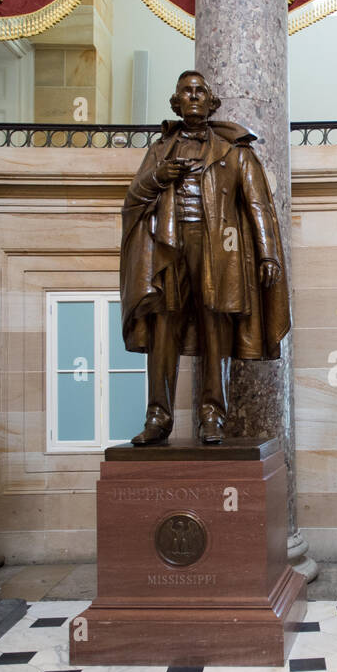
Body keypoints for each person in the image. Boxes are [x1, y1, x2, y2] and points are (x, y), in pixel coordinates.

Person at [120, 70, 291, 445]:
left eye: (200, 91)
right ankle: (157, 417)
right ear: (176, 102)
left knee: (216, 329)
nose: (194, 96)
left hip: (220, 248)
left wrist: (268, 254)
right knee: (164, 327)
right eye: (186, 91)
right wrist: (158, 177)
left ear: (211, 103)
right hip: (167, 246)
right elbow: (133, 199)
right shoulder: (159, 150)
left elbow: (259, 204)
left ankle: (212, 415)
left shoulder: (234, 149)